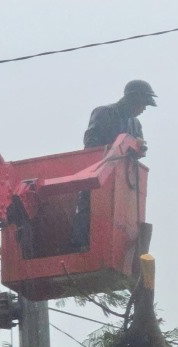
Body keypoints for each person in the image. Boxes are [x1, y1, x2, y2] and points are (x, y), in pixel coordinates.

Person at [72, 80, 157, 250]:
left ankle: (109, 248)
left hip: (121, 182)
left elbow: (135, 155)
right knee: (88, 208)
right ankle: (80, 246)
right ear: (133, 99)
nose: (144, 109)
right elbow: (91, 144)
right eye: (143, 104)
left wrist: (137, 148)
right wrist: (115, 150)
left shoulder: (135, 125)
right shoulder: (104, 113)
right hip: (98, 173)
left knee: (119, 216)